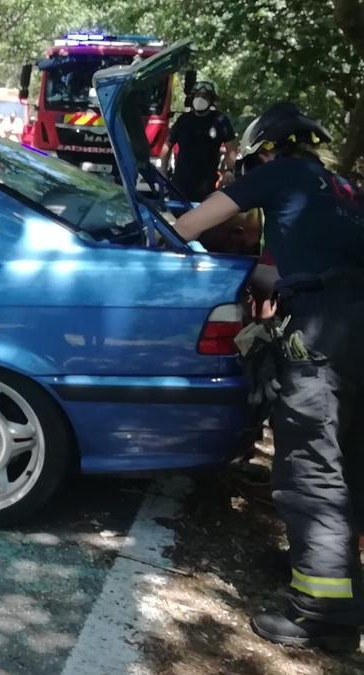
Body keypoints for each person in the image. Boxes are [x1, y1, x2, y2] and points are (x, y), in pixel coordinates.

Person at [174, 102, 364, 652]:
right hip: (355, 320)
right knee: (350, 459)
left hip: (323, 334)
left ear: (264, 151)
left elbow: (188, 225)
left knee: (312, 469)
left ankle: (322, 615)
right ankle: (331, 574)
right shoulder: (342, 189)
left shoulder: (279, 175)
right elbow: (277, 272)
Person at [161, 81, 239, 202]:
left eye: (204, 96)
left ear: (211, 99)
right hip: (181, 183)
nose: (200, 99)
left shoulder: (220, 120)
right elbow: (167, 145)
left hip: (207, 186)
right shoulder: (183, 120)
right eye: (197, 95)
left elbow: (232, 148)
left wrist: (229, 171)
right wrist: (163, 172)